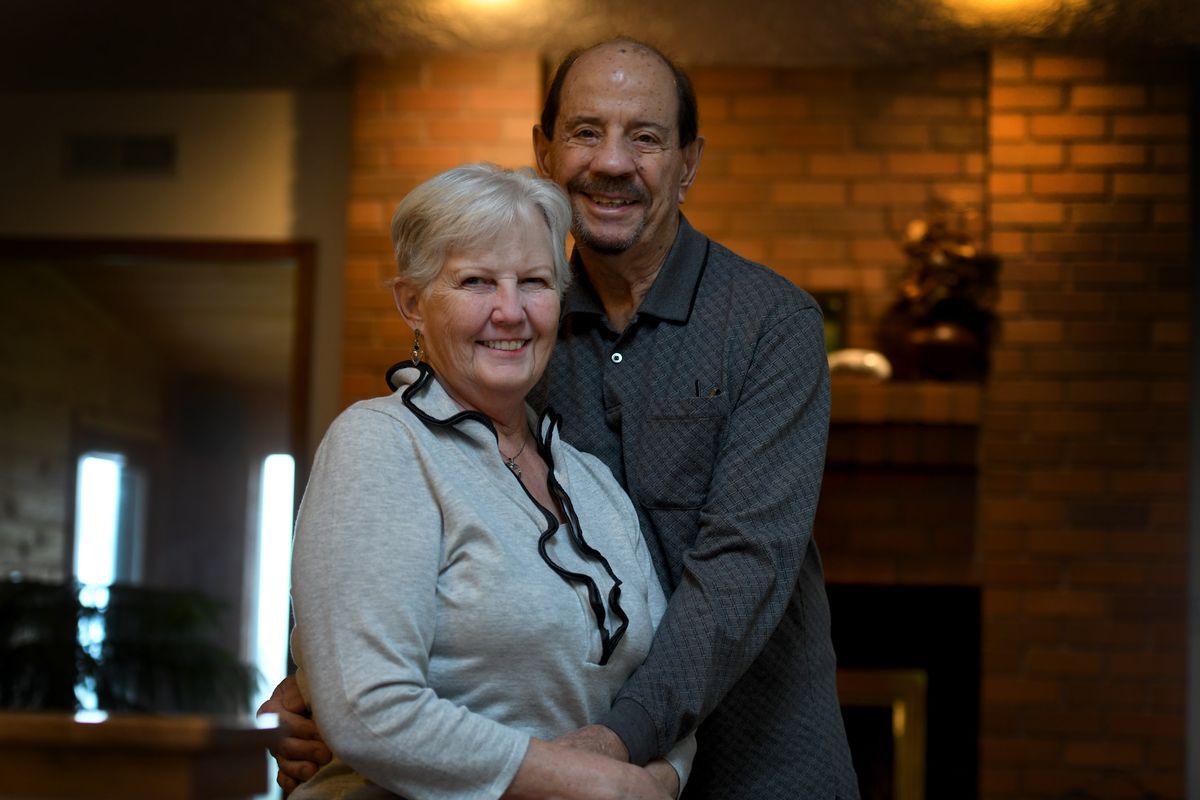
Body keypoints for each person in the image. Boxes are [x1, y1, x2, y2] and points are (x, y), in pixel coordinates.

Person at [265, 38, 860, 799]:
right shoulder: (516, 334)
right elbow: (409, 519)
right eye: (585, 132)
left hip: (754, 759)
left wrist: (611, 752)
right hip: (561, 772)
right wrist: (322, 682)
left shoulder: (770, 323)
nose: (612, 162)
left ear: (689, 162)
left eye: (645, 137)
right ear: (544, 151)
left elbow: (745, 566)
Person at [284, 162, 693, 799]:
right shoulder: (379, 445)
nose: (510, 311)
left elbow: (665, 682)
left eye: (533, 282)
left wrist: (663, 780)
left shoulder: (592, 483)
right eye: (475, 281)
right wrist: (592, 785)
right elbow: (369, 710)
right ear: (413, 303)